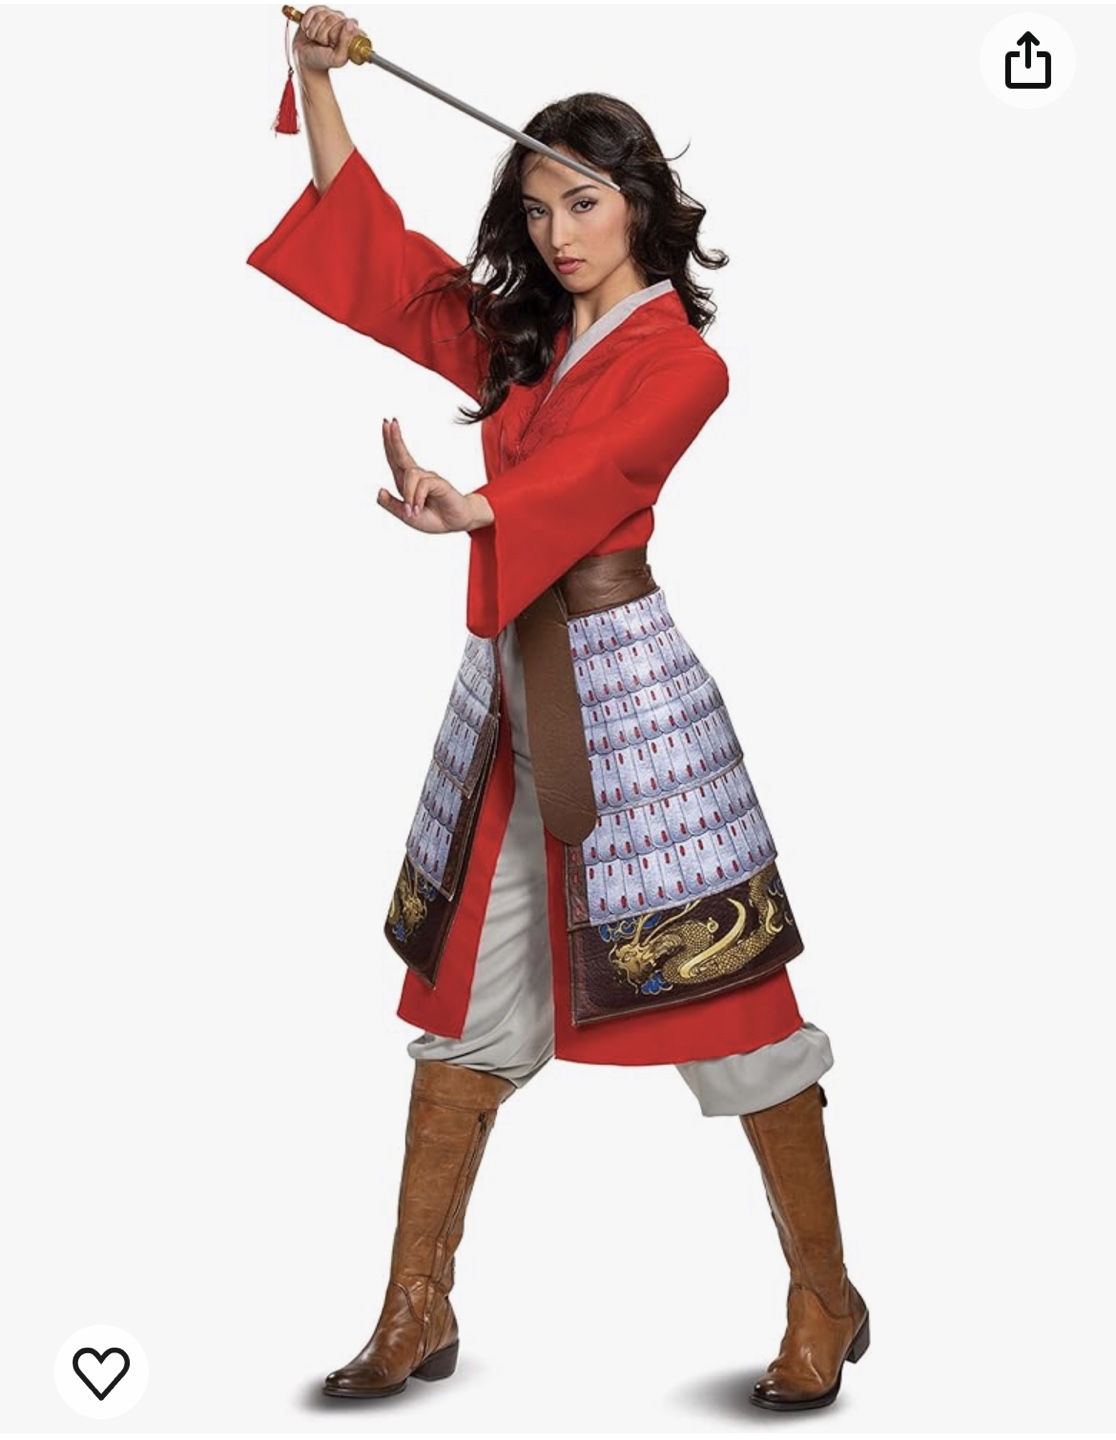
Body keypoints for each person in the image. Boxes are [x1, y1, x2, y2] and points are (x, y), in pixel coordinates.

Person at [246, 5, 868, 1412]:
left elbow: (603, 471)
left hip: (629, 703)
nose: (558, 233)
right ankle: (416, 1304)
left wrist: (479, 506)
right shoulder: (527, 346)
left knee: (731, 1001)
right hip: (509, 705)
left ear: (639, 201)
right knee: (471, 995)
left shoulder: (684, 363)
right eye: (536, 210)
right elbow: (389, 270)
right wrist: (317, 78)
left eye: (583, 202)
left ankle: (824, 1294)